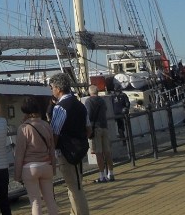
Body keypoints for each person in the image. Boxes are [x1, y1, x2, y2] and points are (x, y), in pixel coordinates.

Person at [48, 72, 91, 215]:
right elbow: (89, 129)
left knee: (74, 187)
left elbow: (55, 133)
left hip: (66, 152)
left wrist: (51, 153)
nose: (51, 90)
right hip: (79, 150)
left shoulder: (60, 108)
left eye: (52, 87)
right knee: (76, 184)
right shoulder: (80, 105)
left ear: (58, 88)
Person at [14, 95, 58, 215]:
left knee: (35, 202)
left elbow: (19, 154)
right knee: (50, 200)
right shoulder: (46, 125)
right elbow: (51, 149)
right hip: (46, 166)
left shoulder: (23, 128)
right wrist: (53, 168)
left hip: (30, 168)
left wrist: (17, 175)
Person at [83, 85, 114, 182]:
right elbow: (105, 110)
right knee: (107, 151)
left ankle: (102, 176)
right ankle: (111, 173)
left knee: (98, 152)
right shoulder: (102, 101)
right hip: (104, 126)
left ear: (90, 92)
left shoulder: (88, 101)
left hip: (95, 128)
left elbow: (89, 115)